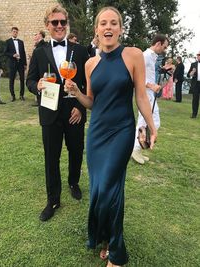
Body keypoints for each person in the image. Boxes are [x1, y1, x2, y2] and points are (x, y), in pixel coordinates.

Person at [65, 6, 157, 267]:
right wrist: (75, 92)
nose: (108, 27)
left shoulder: (133, 55)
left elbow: (141, 96)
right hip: (96, 134)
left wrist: (150, 126)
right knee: (98, 190)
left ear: (121, 28)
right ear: (96, 30)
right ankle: (105, 238)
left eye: (113, 23)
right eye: (103, 23)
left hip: (120, 132)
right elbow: (91, 101)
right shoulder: (90, 63)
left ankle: (117, 254)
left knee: (109, 189)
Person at [26, 4, 89, 222]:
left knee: (76, 151)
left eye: (63, 22)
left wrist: (81, 107)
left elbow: (88, 84)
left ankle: (73, 182)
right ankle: (53, 199)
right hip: (49, 111)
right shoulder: (39, 51)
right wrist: (38, 85)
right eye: (55, 22)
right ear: (47, 25)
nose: (60, 25)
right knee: (51, 158)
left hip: (74, 112)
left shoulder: (80, 52)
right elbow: (29, 80)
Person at [131, 34, 169, 165]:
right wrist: (151, 85)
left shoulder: (153, 57)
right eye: (164, 47)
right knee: (144, 122)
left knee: (154, 122)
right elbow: (135, 74)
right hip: (145, 94)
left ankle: (138, 149)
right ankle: (135, 149)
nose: (164, 50)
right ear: (158, 44)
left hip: (150, 94)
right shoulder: (146, 56)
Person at [4, 27, 27, 102]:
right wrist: (12, 55)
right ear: (11, 32)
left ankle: (21, 95)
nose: (15, 33)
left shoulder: (21, 42)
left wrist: (25, 64)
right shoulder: (8, 41)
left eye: (16, 32)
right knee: (11, 80)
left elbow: (23, 53)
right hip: (12, 63)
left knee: (22, 79)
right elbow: (5, 52)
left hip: (20, 63)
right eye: (14, 32)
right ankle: (12, 96)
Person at [187, 51, 200, 118]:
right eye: (197, 55)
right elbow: (188, 75)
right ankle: (194, 114)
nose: (198, 56)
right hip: (196, 84)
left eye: (199, 55)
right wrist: (192, 72)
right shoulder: (193, 64)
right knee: (195, 99)